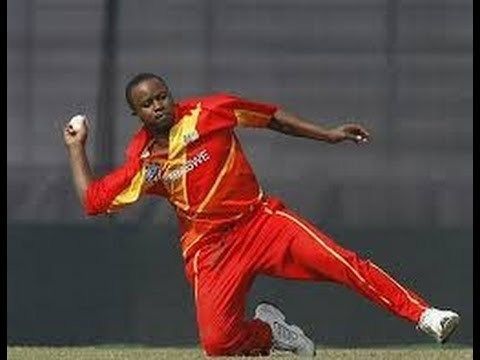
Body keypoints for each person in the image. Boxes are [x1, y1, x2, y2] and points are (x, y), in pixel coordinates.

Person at [63, 73, 460, 357]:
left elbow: (272, 117)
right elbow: (93, 201)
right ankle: (271, 333)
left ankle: (426, 315)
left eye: (162, 96)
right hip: (210, 249)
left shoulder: (209, 112)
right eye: (147, 104)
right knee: (217, 344)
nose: (158, 105)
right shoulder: (145, 162)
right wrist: (76, 148)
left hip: (261, 222)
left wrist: (327, 134)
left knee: (344, 263)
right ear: (138, 114)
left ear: (171, 95)